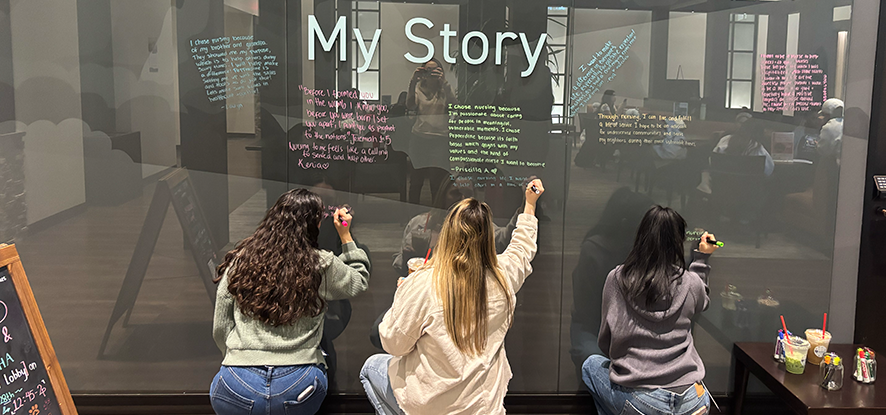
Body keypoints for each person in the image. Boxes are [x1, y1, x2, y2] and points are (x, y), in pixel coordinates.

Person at [360, 179, 544, 415]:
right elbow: (522, 248)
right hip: (484, 408)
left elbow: (394, 344)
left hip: (430, 407)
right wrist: (530, 204)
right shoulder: (503, 276)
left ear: (446, 235)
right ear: (489, 238)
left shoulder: (423, 284)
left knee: (371, 367)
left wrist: (403, 296)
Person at [210, 189, 371, 415]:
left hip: (236, 384)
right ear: (313, 226)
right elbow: (359, 280)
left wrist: (239, 356)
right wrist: (345, 235)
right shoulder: (320, 265)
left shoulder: (241, 260)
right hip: (299, 387)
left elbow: (221, 327)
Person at [582, 206, 718, 415]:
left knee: (591, 365)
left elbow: (606, 342)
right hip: (693, 399)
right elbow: (703, 301)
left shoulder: (617, 279)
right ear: (678, 242)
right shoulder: (691, 283)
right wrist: (701, 258)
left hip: (640, 400)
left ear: (641, 236)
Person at [570, 187, 653, 380]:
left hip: (631, 332)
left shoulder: (645, 251)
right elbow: (586, 311)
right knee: (593, 360)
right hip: (594, 330)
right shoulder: (593, 251)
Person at [392, 177, 522, 276]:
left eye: (467, 193)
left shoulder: (479, 226)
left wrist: (525, 207)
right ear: (443, 196)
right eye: (455, 193)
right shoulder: (419, 224)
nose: (462, 198)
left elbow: (504, 239)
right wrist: (407, 257)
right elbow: (399, 265)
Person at [406, 58, 457, 206]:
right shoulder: (418, 88)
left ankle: (437, 216)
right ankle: (412, 217)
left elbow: (455, 106)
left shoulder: (445, 90)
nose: (431, 73)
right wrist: (413, 82)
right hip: (419, 138)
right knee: (416, 181)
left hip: (439, 139)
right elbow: (410, 105)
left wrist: (444, 84)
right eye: (428, 70)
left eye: (435, 70)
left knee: (438, 182)